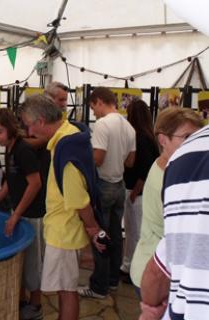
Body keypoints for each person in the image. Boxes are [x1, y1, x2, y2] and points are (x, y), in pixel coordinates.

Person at [19, 94, 105, 320]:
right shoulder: (70, 135)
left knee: (66, 290)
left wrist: (93, 229)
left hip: (65, 231)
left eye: (29, 126)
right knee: (64, 287)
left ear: (39, 121)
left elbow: (78, 199)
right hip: (64, 227)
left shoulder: (65, 149)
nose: (29, 133)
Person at [0, 108, 45, 320]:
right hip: (20, 211)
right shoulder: (10, 149)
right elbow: (9, 183)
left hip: (32, 214)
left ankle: (36, 306)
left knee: (33, 262)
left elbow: (35, 183)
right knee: (23, 261)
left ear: (9, 129)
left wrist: (16, 215)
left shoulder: (23, 150)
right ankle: (23, 300)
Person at [140, 123, 209, 320]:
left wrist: (150, 309)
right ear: (163, 139)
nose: (190, 138)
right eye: (186, 135)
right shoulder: (177, 162)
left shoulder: (185, 159)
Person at [130, 108, 203, 293]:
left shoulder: (171, 166)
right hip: (158, 276)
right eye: (187, 137)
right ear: (163, 140)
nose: (195, 144)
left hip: (156, 269)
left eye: (199, 137)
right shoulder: (170, 178)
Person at [78, 87, 136, 299]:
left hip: (103, 185)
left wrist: (82, 165)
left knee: (99, 237)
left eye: (93, 108)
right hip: (119, 184)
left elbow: (98, 158)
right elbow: (130, 162)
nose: (93, 113)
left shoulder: (102, 124)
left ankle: (98, 287)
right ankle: (112, 280)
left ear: (100, 101)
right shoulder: (128, 126)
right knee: (114, 236)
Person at [120, 100, 159, 281]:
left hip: (137, 192)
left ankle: (132, 269)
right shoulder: (148, 136)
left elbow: (144, 170)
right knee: (134, 231)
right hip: (140, 192)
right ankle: (130, 265)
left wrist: (134, 193)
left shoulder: (140, 138)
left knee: (134, 232)